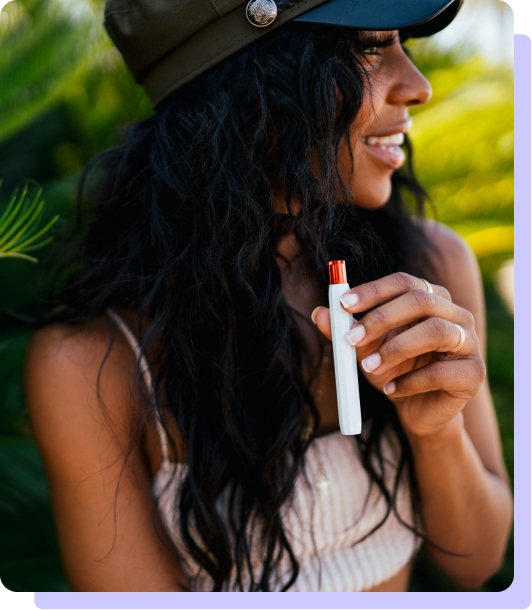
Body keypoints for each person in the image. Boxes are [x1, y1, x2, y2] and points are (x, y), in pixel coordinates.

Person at [22, 0, 513, 593]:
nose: (419, 86)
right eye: (367, 47)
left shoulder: (431, 267)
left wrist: (434, 430)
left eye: (402, 44)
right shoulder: (95, 360)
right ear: (248, 83)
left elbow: (478, 561)